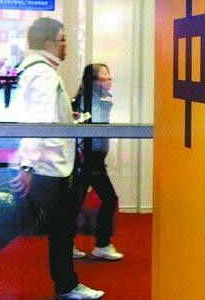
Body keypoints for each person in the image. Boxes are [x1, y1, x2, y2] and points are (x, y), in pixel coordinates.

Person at [0, 17, 104, 300]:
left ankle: (65, 285)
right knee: (49, 226)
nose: (66, 45)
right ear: (49, 43)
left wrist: (66, 116)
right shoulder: (44, 74)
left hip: (45, 164)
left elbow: (39, 115)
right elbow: (38, 121)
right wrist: (27, 165)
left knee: (40, 224)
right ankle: (65, 285)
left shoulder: (32, 69)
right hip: (48, 166)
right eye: (63, 39)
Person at [71, 63, 123, 261]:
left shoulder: (100, 100)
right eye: (104, 75)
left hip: (93, 158)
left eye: (109, 75)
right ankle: (101, 244)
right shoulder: (89, 101)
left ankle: (78, 243)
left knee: (76, 202)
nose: (109, 79)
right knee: (108, 198)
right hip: (88, 159)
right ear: (93, 81)